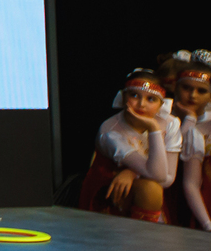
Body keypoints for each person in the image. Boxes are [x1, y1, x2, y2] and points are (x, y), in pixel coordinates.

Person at [77, 69, 181, 224]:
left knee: (151, 188)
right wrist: (153, 128)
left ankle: (145, 236)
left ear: (161, 104)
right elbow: (158, 175)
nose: (141, 104)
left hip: (144, 190)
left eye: (151, 99)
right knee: (150, 188)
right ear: (123, 96)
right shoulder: (110, 131)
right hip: (111, 190)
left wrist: (132, 172)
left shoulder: (170, 123)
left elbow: (168, 178)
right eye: (134, 95)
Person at [166, 58, 211, 231]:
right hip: (170, 194)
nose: (193, 95)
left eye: (201, 91)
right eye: (186, 88)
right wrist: (190, 119)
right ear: (175, 87)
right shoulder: (161, 117)